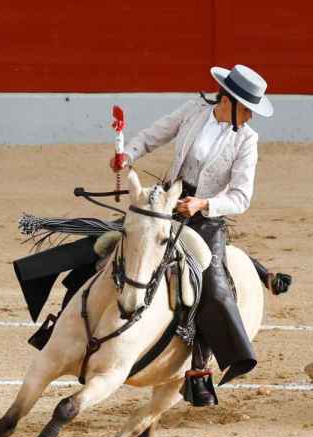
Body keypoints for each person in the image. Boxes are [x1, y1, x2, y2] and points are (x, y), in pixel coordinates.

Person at [106, 64, 274, 407]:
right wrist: (129, 155)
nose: (250, 116)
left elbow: (241, 197)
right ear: (227, 100)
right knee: (112, 246)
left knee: (212, 285)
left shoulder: (247, 140)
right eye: (247, 109)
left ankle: (199, 369)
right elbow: (155, 134)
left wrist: (203, 204)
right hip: (167, 202)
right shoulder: (194, 110)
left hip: (205, 219)